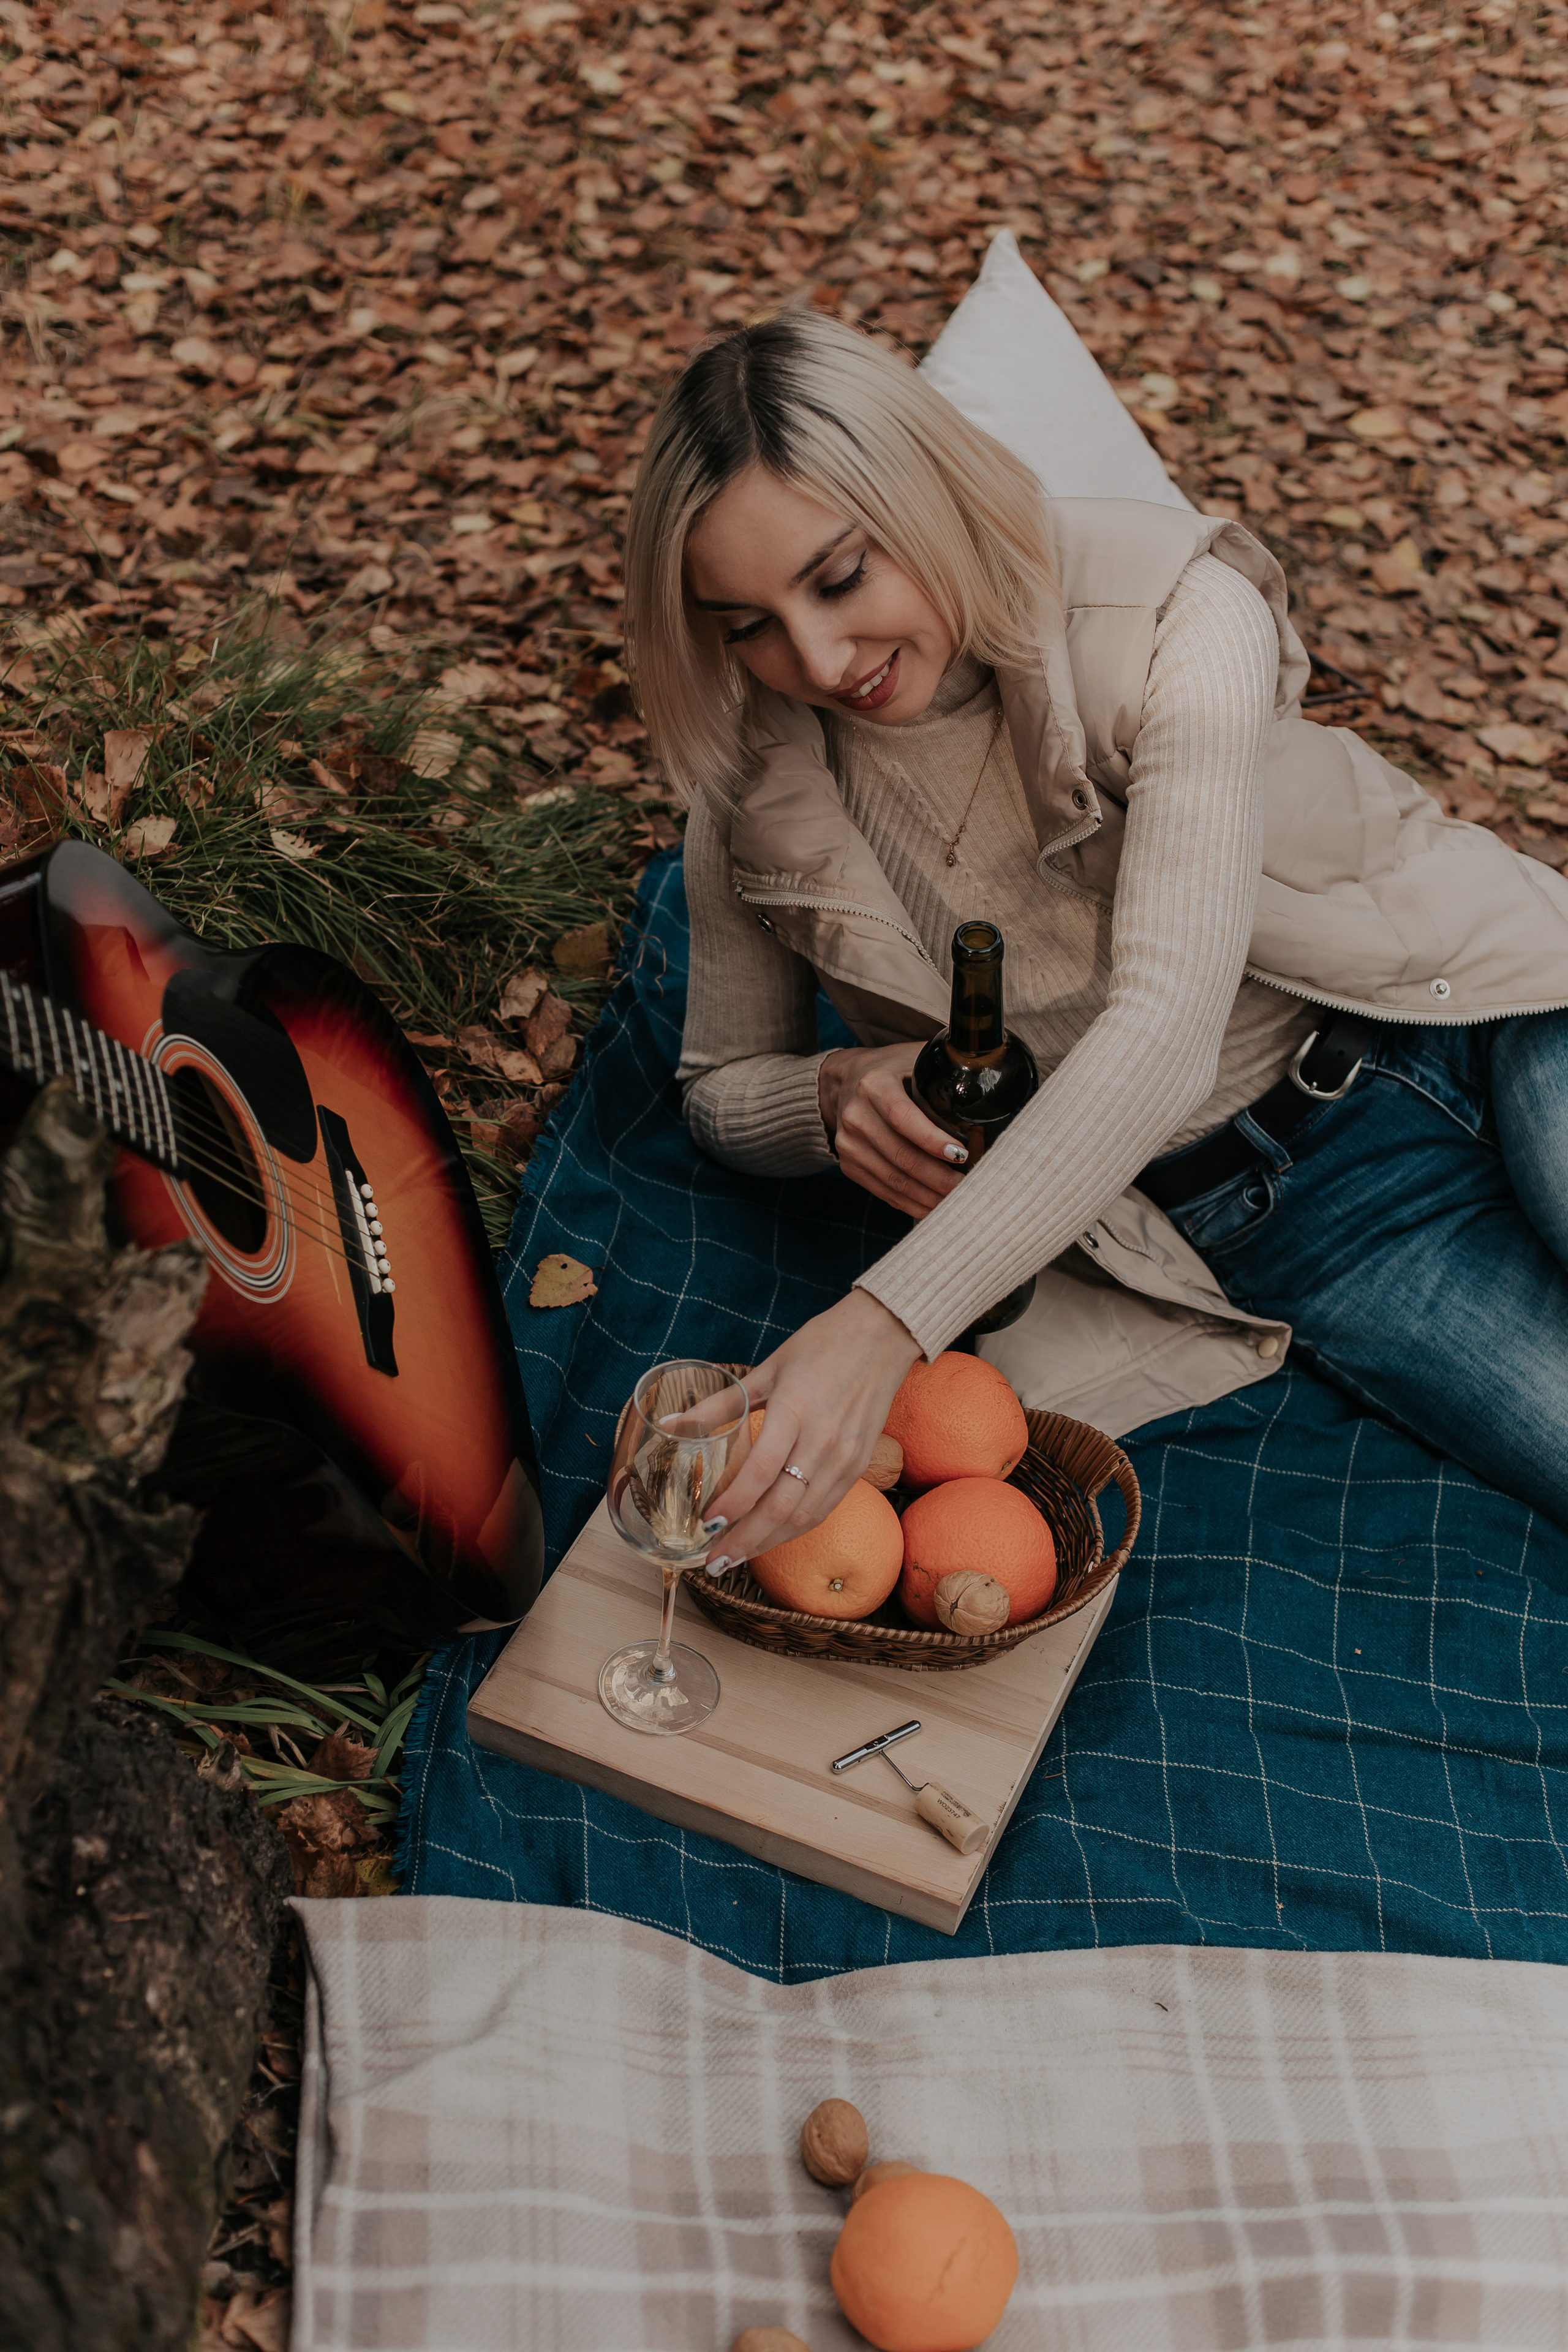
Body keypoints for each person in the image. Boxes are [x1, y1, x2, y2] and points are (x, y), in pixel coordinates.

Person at [621, 305, 1568, 1575]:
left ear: (926, 492)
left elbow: (1165, 1024)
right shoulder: (751, 778)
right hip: (1298, 1216)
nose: (820, 655)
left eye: (841, 577)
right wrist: (830, 1091)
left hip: (1488, 1009)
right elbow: (719, 1091)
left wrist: (886, 1323)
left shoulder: (1177, 612)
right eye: (746, 623)